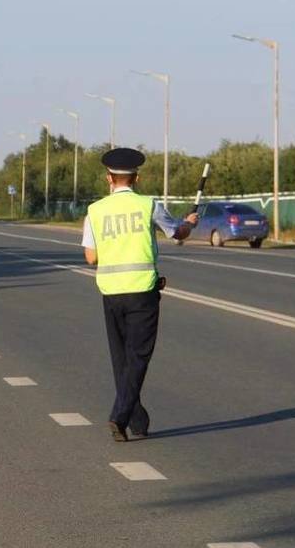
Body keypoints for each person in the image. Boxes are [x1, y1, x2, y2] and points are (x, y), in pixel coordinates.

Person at [81, 148, 199, 442]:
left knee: (121, 358)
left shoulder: (95, 211)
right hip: (142, 291)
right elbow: (177, 234)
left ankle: (136, 418)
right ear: (137, 177)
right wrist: (190, 224)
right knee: (138, 357)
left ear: (108, 177)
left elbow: (90, 257)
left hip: (110, 292)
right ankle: (120, 417)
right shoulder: (149, 205)